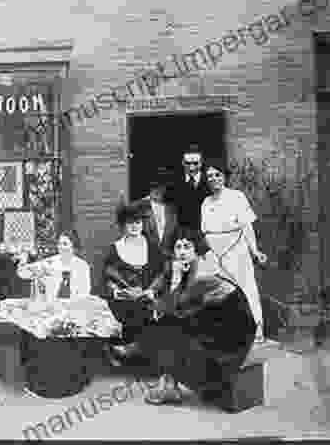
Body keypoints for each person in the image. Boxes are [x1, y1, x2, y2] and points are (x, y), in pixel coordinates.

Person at [138, 227, 256, 405]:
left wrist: (162, 299)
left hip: (234, 337)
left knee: (166, 325)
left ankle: (167, 382)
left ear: (196, 249)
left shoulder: (202, 270)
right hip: (217, 324)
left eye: (187, 247)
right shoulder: (192, 265)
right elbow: (180, 303)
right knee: (168, 324)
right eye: (178, 247)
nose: (182, 252)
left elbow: (177, 304)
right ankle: (168, 382)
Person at [201, 160, 268, 342]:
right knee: (219, 293)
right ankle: (228, 333)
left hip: (236, 251)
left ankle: (257, 330)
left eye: (217, 175)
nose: (214, 179)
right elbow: (206, 232)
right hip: (215, 255)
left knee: (247, 289)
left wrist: (254, 251)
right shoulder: (206, 203)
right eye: (210, 176)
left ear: (224, 177)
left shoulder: (237, 197)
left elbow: (247, 227)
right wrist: (211, 254)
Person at [102, 202, 168, 365]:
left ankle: (137, 351)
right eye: (130, 223)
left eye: (138, 222)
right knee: (128, 308)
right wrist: (119, 292)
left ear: (143, 224)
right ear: (123, 225)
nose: (134, 226)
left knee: (149, 309)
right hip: (124, 299)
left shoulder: (152, 247)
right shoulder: (115, 248)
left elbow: (162, 273)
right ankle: (128, 352)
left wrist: (151, 291)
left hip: (148, 296)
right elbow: (108, 276)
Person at [18, 232, 92, 299]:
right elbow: (23, 273)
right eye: (59, 244)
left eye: (65, 244)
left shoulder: (82, 266)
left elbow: (85, 293)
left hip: (74, 308)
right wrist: (23, 261)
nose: (60, 247)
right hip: (52, 308)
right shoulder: (49, 263)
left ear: (73, 246)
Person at [166, 145, 212, 231]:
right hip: (182, 234)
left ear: (201, 163)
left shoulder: (210, 182)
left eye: (195, 163)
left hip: (207, 231)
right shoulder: (173, 184)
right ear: (182, 162)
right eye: (188, 163)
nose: (191, 168)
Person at [138, 168, 178, 262]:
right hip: (145, 261)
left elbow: (175, 236)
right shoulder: (139, 207)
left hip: (168, 262)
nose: (158, 190)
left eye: (161, 186)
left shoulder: (172, 209)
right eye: (154, 186)